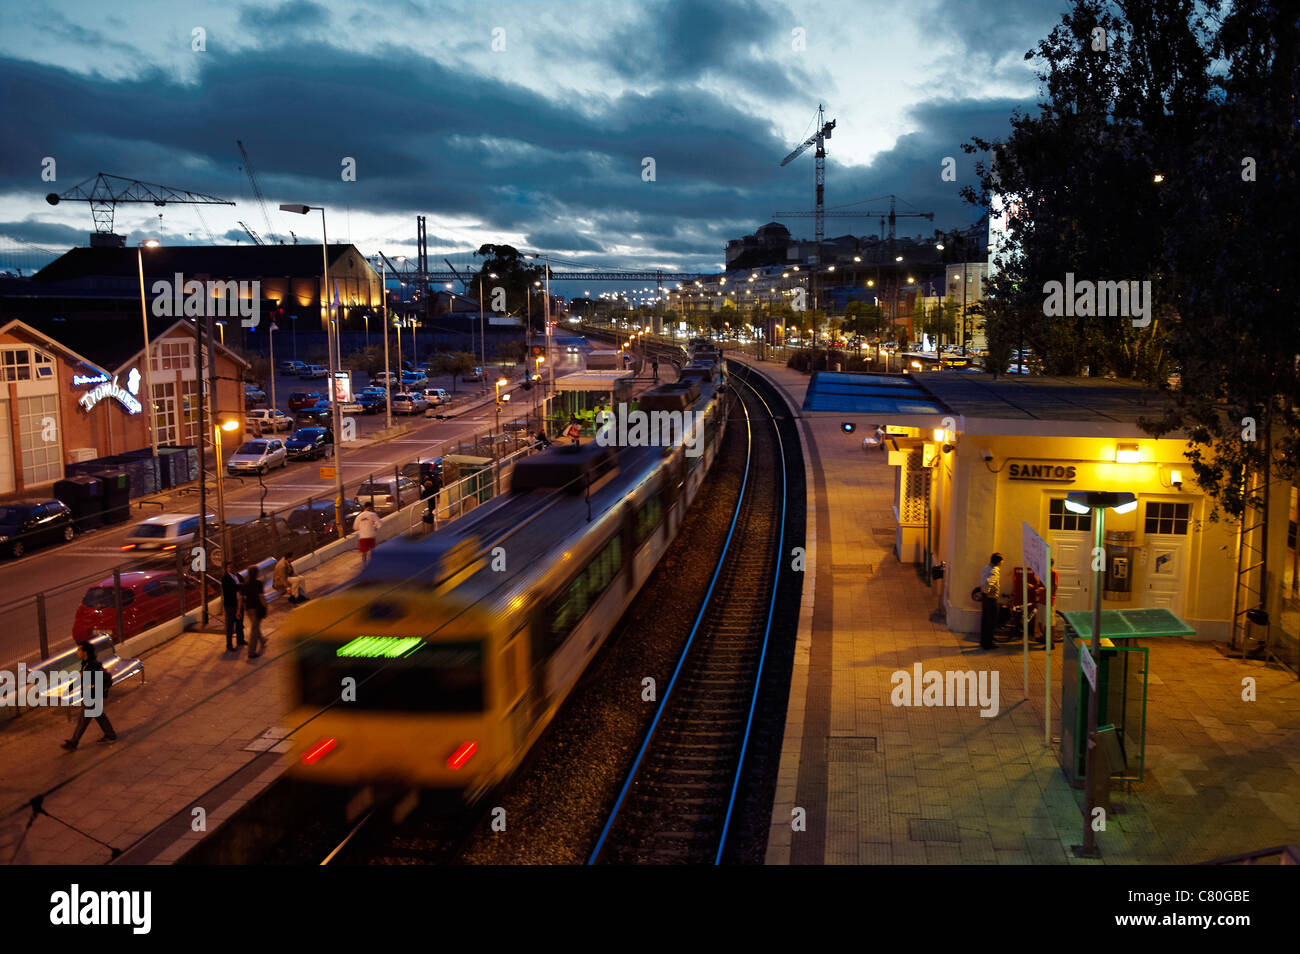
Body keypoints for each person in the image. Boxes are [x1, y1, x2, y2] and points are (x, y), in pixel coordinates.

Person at [62, 641, 116, 749]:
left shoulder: (90, 665)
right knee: (98, 715)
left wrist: (69, 689)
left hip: (92, 695)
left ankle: (74, 742)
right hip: (94, 693)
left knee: (83, 719)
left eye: (79, 649)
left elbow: (81, 679)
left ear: (85, 652)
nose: (77, 652)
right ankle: (110, 735)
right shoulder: (88, 663)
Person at [240, 565, 269, 659]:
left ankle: (262, 640)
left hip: (249, 609)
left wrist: (244, 607)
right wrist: (265, 606)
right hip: (257, 608)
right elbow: (261, 597)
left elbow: (241, 598)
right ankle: (251, 652)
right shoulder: (258, 583)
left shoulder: (245, 584)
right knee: (254, 630)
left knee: (255, 626)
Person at [979, 552, 1003, 650]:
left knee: (985, 620)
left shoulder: (986, 568)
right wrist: (987, 592)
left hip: (985, 598)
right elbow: (988, 583)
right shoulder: (994, 571)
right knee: (991, 621)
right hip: (991, 598)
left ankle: (983, 640)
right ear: (998, 561)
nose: (1003, 562)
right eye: (1002, 560)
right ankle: (988, 643)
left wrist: (984, 593)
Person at [221, 561, 246, 653]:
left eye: (232, 567)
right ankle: (229, 644)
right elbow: (230, 589)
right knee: (230, 626)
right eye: (229, 567)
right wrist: (239, 586)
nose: (231, 569)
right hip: (230, 605)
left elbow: (243, 586)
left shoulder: (238, 576)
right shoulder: (225, 578)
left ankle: (240, 640)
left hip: (239, 603)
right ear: (227, 569)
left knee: (240, 623)